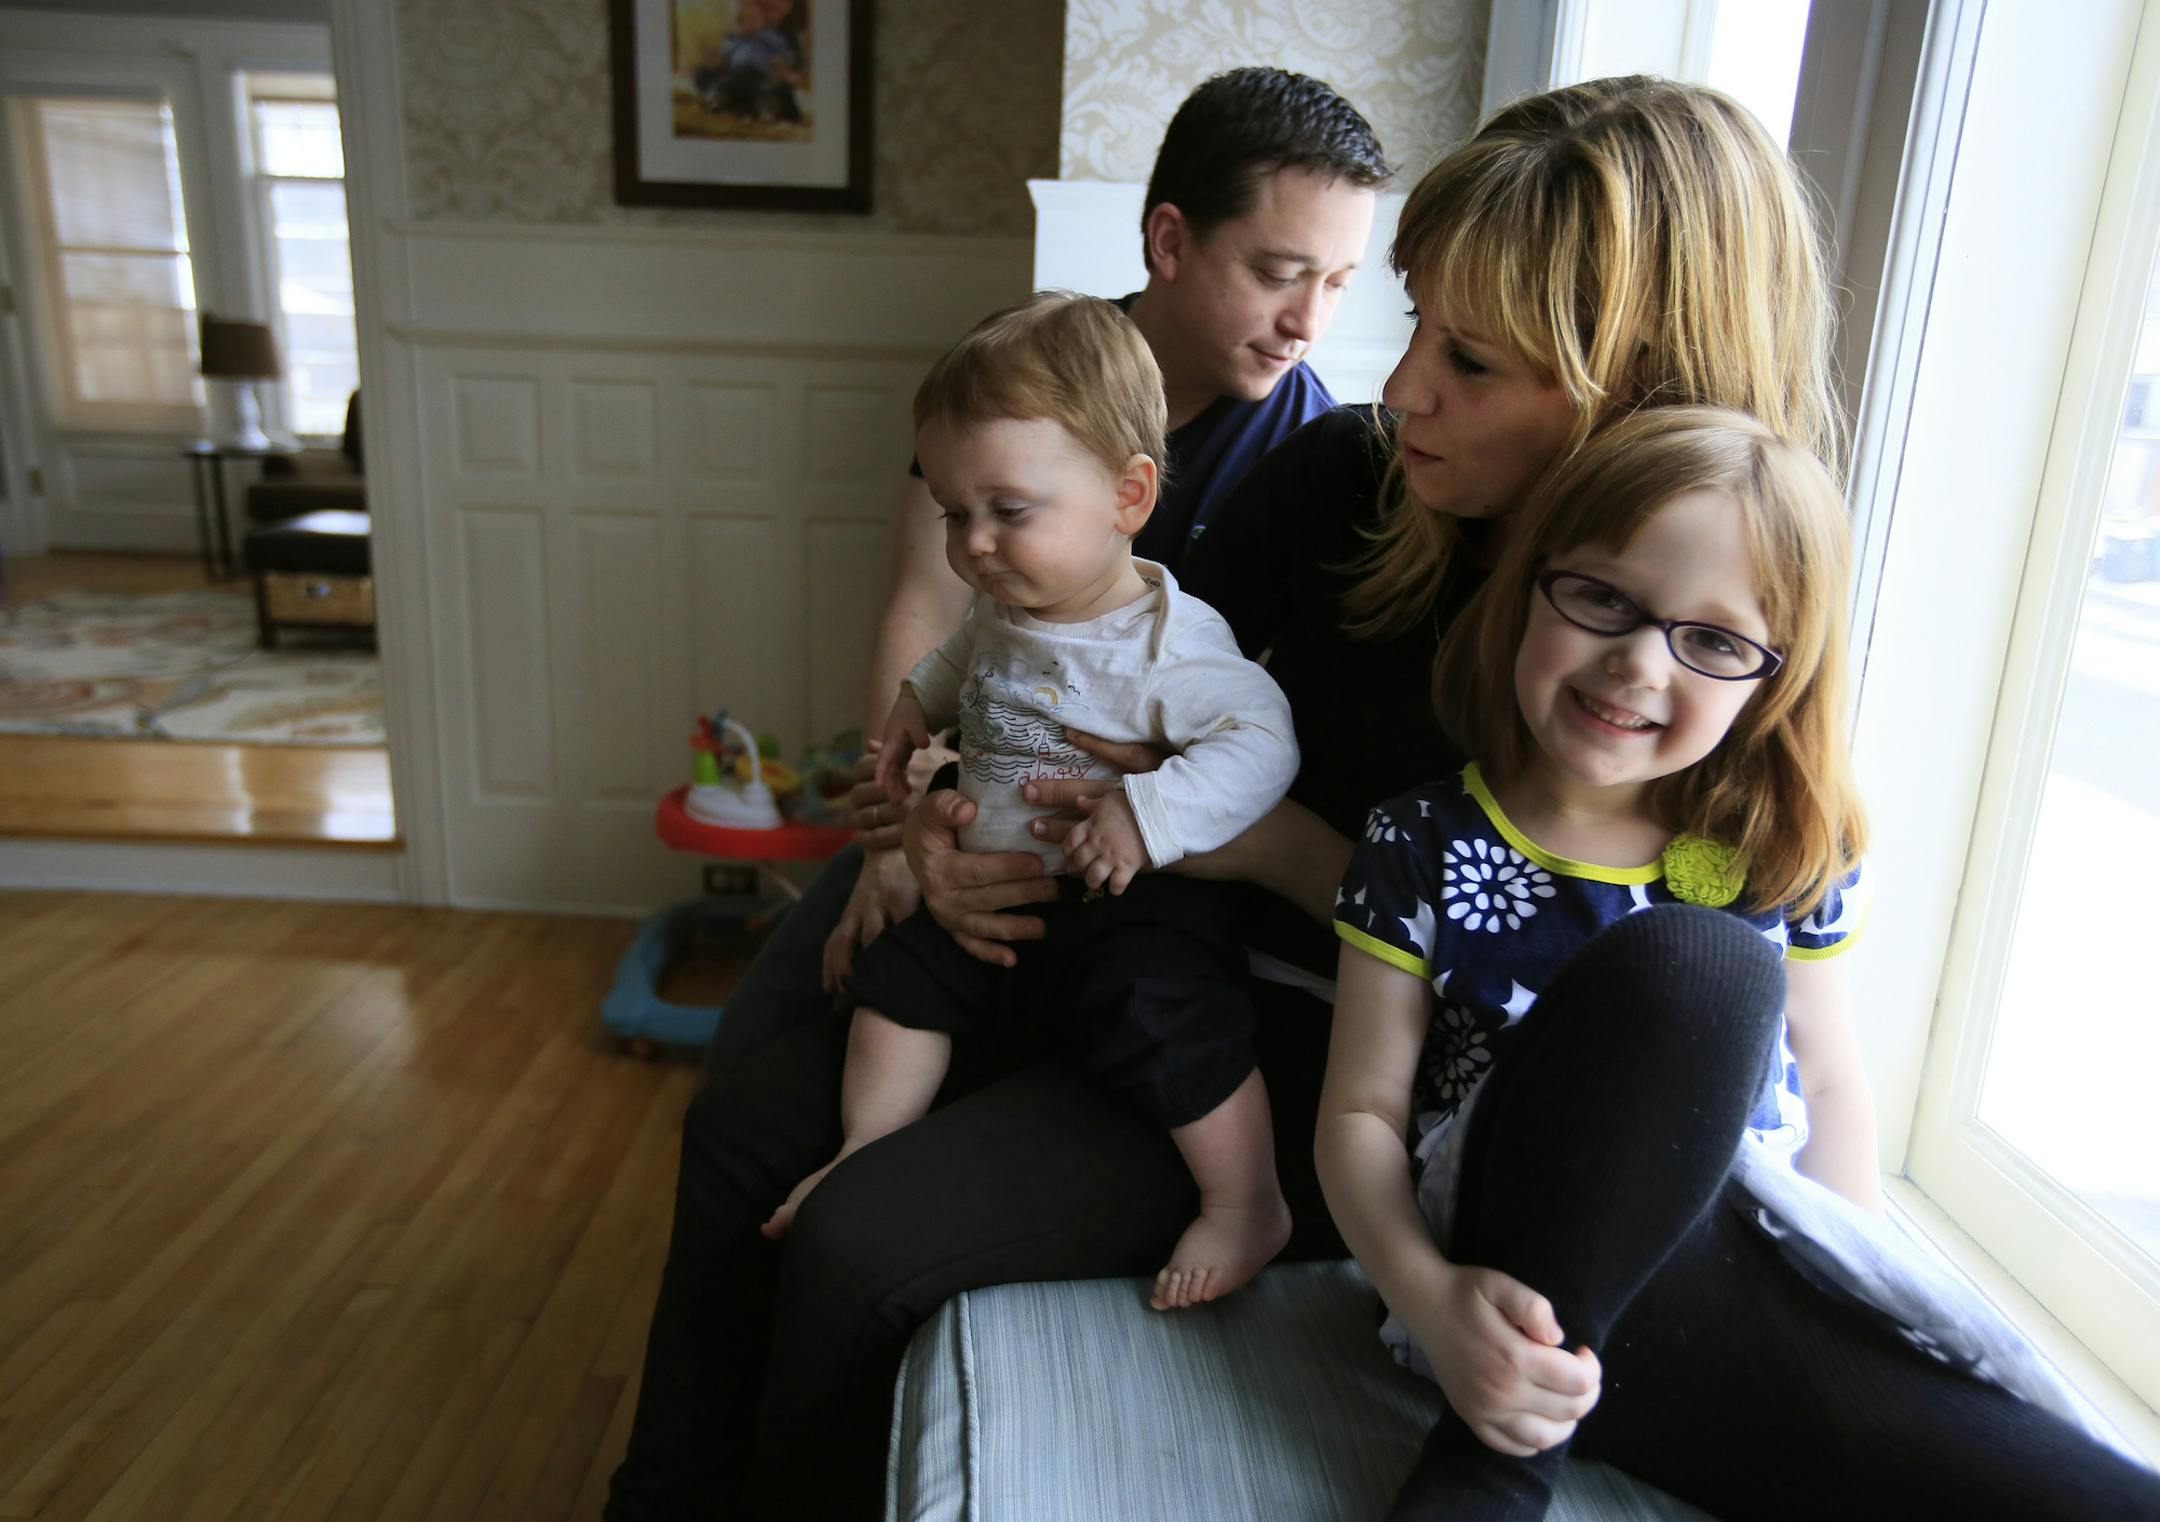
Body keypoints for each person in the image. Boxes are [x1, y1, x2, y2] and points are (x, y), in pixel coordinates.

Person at [602, 75, 1830, 1522]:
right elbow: (1099, 667)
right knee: (756, 1105)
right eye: (1417, 317)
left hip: (1301, 1042)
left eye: (1474, 359)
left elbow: (1538, 966)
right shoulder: (1343, 480)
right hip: (1109, 898)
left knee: (864, 1242)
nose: (1403, 379)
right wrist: (930, 826)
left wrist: (1257, 843)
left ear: (1630, 385)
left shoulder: (1668, 659)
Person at [1320, 405, 2160, 1521]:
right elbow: (1359, 1118)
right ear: (1530, 581)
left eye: (1712, 641)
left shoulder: (1780, 855)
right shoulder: (1420, 842)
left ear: (1772, 677)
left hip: (1710, 1296)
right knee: (1693, 970)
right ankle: (1493, 1463)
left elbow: (1836, 1081)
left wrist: (1839, 1285)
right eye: (1602, 597)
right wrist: (1432, 1305)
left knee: (2068, 1484)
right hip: (1505, 1280)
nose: (1634, 662)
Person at [761, 293, 1301, 1315]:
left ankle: (1245, 1200)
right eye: (954, 515)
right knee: (897, 976)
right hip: (998, 888)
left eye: (1008, 511)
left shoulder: (1168, 642)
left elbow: (1263, 744)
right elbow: (955, 656)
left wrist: (1150, 813)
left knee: (1173, 1015)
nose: (974, 545)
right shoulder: (1008, 608)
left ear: (1128, 494)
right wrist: (919, 706)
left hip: (1132, 895)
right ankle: (865, 1152)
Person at [826, 64, 1387, 988]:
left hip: (1136, 880)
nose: (1307, 323)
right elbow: (924, 610)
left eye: (1337, 283)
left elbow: (1253, 738)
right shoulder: (1016, 377)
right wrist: (900, 847)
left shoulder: (1316, 457)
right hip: (961, 806)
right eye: (1278, 274)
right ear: (1170, 240)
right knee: (755, 1105)